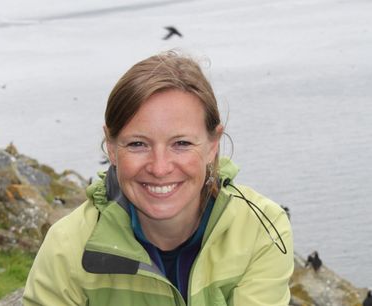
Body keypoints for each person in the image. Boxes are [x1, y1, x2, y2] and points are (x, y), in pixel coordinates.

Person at [23, 50, 294, 306]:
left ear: (213, 145)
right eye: (138, 144)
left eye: (182, 143)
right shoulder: (67, 248)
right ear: (111, 147)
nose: (160, 167)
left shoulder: (261, 230)